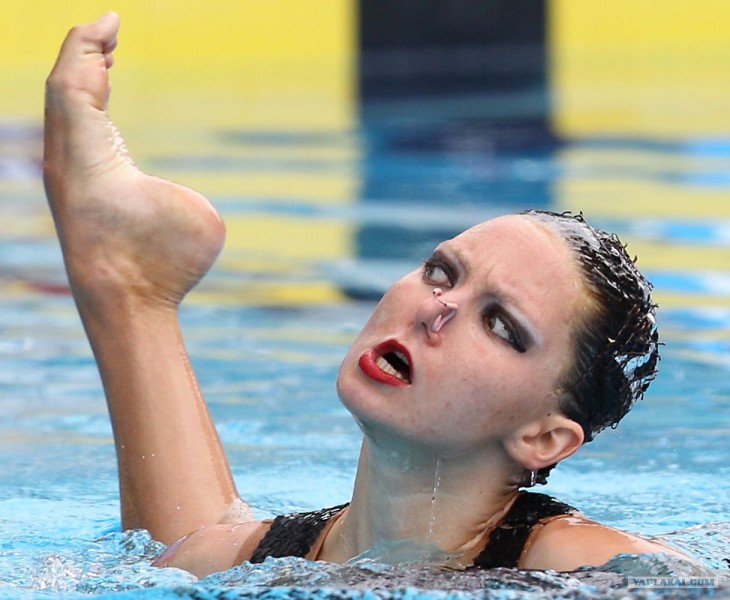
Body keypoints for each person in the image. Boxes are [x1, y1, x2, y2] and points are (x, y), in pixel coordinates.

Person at [44, 13, 690, 579]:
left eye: (501, 325)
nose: (440, 308)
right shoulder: (261, 560)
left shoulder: (601, 572)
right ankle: (128, 289)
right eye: (442, 272)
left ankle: (128, 289)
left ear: (544, 438)